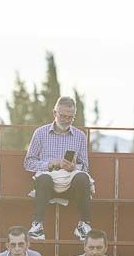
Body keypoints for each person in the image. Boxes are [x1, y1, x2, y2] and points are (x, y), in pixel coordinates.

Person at [24, 95, 92, 242]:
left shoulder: (80, 136)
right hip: (47, 183)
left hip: (70, 182)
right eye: (63, 116)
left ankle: (84, 225)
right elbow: (28, 162)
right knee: (44, 178)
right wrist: (51, 164)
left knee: (83, 177)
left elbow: (85, 166)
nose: (66, 120)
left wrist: (74, 166)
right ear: (55, 113)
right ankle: (37, 226)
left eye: (70, 117)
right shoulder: (40, 133)